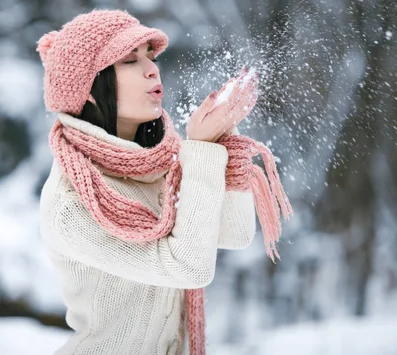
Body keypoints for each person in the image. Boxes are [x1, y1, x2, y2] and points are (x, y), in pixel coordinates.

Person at [36, 9, 292, 355]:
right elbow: (189, 267)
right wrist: (200, 149)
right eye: (129, 60)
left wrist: (221, 141)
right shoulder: (72, 202)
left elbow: (234, 232)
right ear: (90, 88)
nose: (152, 68)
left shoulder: (157, 164)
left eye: (150, 55)